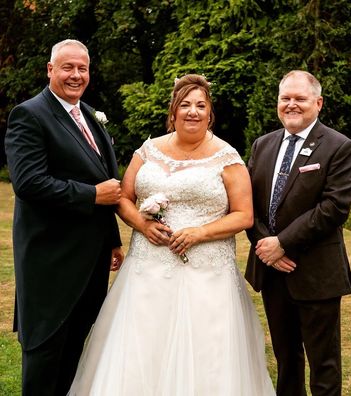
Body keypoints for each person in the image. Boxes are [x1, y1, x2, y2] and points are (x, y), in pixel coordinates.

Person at [68, 74, 276, 395]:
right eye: (185, 105)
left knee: (206, 350)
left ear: (210, 113)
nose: (192, 111)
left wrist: (200, 232)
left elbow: (244, 214)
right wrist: (143, 224)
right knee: (141, 344)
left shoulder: (226, 156)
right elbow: (123, 198)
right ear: (173, 111)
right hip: (146, 270)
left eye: (200, 105)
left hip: (206, 272)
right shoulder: (148, 150)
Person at [5, 39, 124, 396]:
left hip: (91, 262)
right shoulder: (30, 114)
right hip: (51, 263)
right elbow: (28, 183)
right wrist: (91, 195)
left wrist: (113, 240)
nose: (76, 75)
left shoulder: (89, 114)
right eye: (68, 67)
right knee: (45, 354)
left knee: (75, 352)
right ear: (50, 69)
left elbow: (101, 174)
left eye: (82, 68)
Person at [245, 70, 351, 396]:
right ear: (278, 102)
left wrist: (282, 243)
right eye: (286, 98)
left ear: (318, 103)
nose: (291, 104)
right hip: (273, 272)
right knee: (286, 360)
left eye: (300, 98)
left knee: (323, 365)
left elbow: (334, 208)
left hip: (316, 272)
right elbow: (248, 204)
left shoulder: (340, 147)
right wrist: (266, 246)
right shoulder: (262, 145)